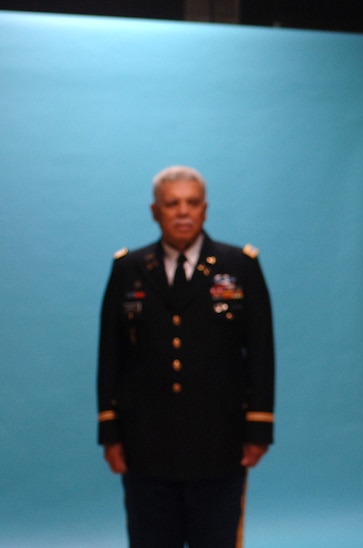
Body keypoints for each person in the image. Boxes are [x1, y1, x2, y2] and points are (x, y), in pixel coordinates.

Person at [97, 165, 275, 548]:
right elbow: (109, 356)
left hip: (219, 441)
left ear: (205, 210)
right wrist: (109, 431)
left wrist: (259, 427)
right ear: (154, 211)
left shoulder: (239, 266)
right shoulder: (128, 269)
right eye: (171, 203)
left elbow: (261, 353)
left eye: (191, 203)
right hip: (145, 443)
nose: (182, 211)